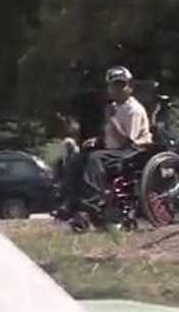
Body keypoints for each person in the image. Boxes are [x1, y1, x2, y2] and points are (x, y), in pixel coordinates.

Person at [64, 65, 152, 225]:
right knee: (78, 159)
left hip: (132, 151)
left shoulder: (133, 109)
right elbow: (112, 137)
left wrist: (112, 119)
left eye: (121, 85)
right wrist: (98, 140)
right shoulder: (113, 107)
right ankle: (72, 204)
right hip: (113, 150)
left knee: (95, 159)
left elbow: (127, 141)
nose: (117, 89)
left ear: (130, 87)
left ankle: (90, 209)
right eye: (113, 86)